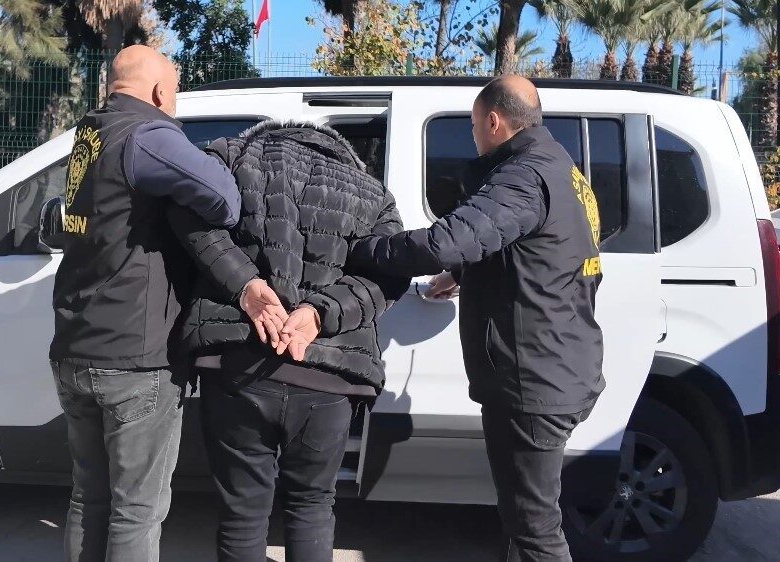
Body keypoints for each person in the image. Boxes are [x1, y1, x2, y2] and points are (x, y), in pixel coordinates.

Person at [347, 75, 605, 562]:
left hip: (534, 377)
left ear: (493, 121)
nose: (473, 136)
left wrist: (363, 250)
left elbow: (444, 241)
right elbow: (538, 247)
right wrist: (463, 274)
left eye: (472, 126)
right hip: (560, 362)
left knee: (535, 529)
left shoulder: (522, 177)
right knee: (523, 520)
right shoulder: (559, 168)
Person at [166, 120, 411, 562]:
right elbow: (390, 273)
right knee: (312, 506)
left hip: (238, 366)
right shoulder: (373, 192)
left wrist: (245, 285)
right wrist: (319, 313)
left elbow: (187, 213)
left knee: (242, 513)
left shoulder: (232, 157)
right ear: (340, 152)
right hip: (329, 378)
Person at [48, 45, 243, 561]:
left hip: (75, 348)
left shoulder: (91, 134)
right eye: (175, 90)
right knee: (137, 510)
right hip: (133, 359)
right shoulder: (147, 135)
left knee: (88, 497)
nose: (174, 100)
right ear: (158, 91)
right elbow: (225, 199)